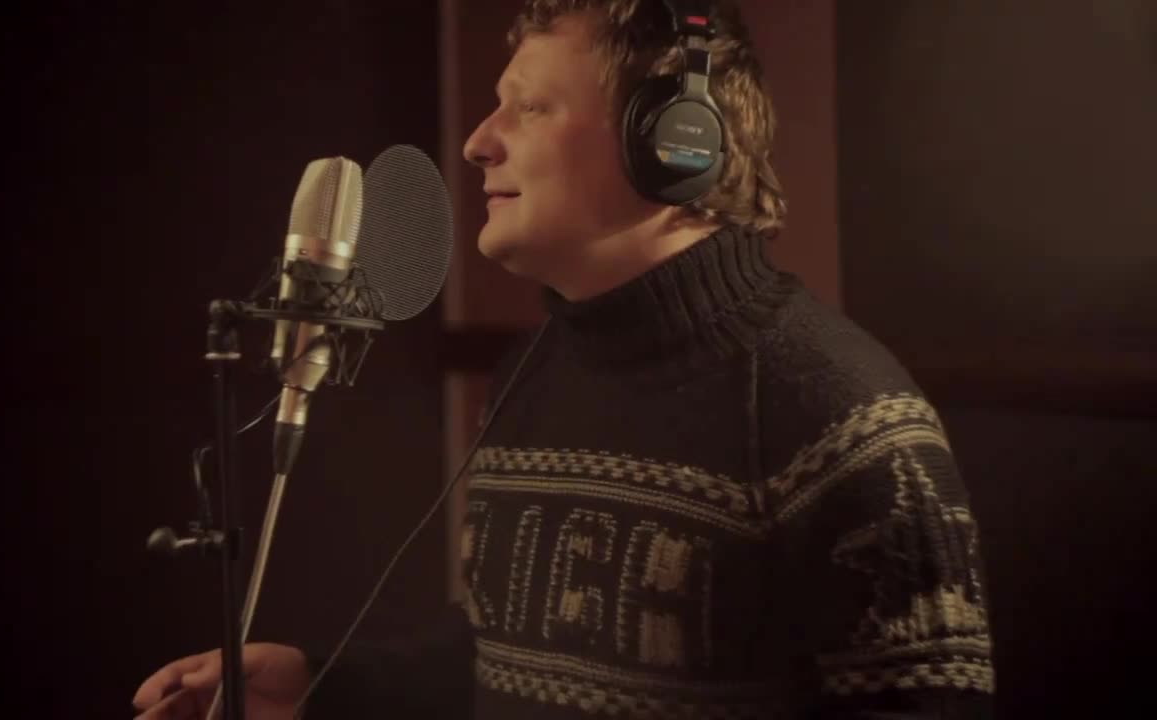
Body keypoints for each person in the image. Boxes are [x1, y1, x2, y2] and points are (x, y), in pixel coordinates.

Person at [133, 1, 996, 718]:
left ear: (672, 140)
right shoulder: (534, 373)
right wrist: (324, 687)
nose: (478, 142)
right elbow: (509, 657)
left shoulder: (841, 413)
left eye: (530, 108)